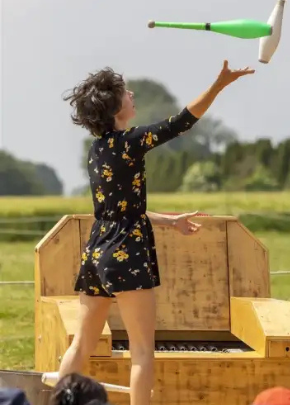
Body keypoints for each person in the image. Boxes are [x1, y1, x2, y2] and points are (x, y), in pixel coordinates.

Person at [56, 60, 254, 405]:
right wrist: (218, 85)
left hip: (96, 252)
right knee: (142, 350)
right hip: (127, 254)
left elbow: (119, 209)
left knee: (81, 345)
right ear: (116, 108)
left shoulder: (96, 150)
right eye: (125, 92)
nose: (131, 94)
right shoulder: (130, 141)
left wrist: (169, 221)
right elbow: (182, 122)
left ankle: (57, 402)